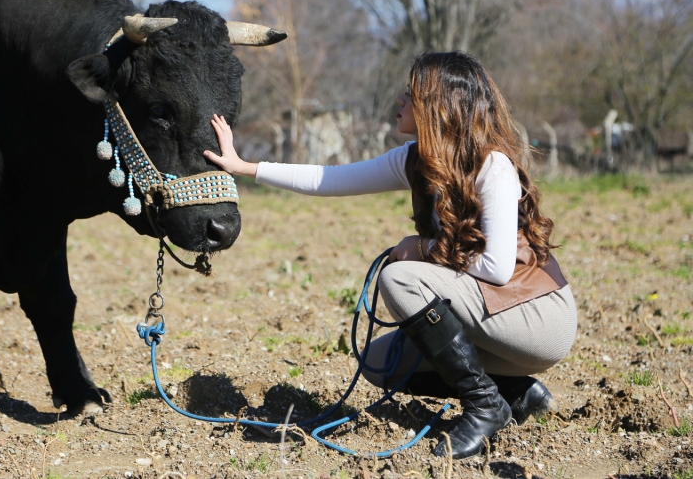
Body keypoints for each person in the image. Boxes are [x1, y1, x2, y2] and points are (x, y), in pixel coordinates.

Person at [202, 51, 576, 460]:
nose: (399, 100)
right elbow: (329, 179)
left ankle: (483, 405)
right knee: (381, 364)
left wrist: (423, 248)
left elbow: (498, 268)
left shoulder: (494, 167)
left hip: (537, 319)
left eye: (410, 93)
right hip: (489, 310)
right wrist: (245, 166)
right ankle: (515, 394)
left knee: (400, 279)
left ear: (438, 106)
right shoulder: (416, 161)